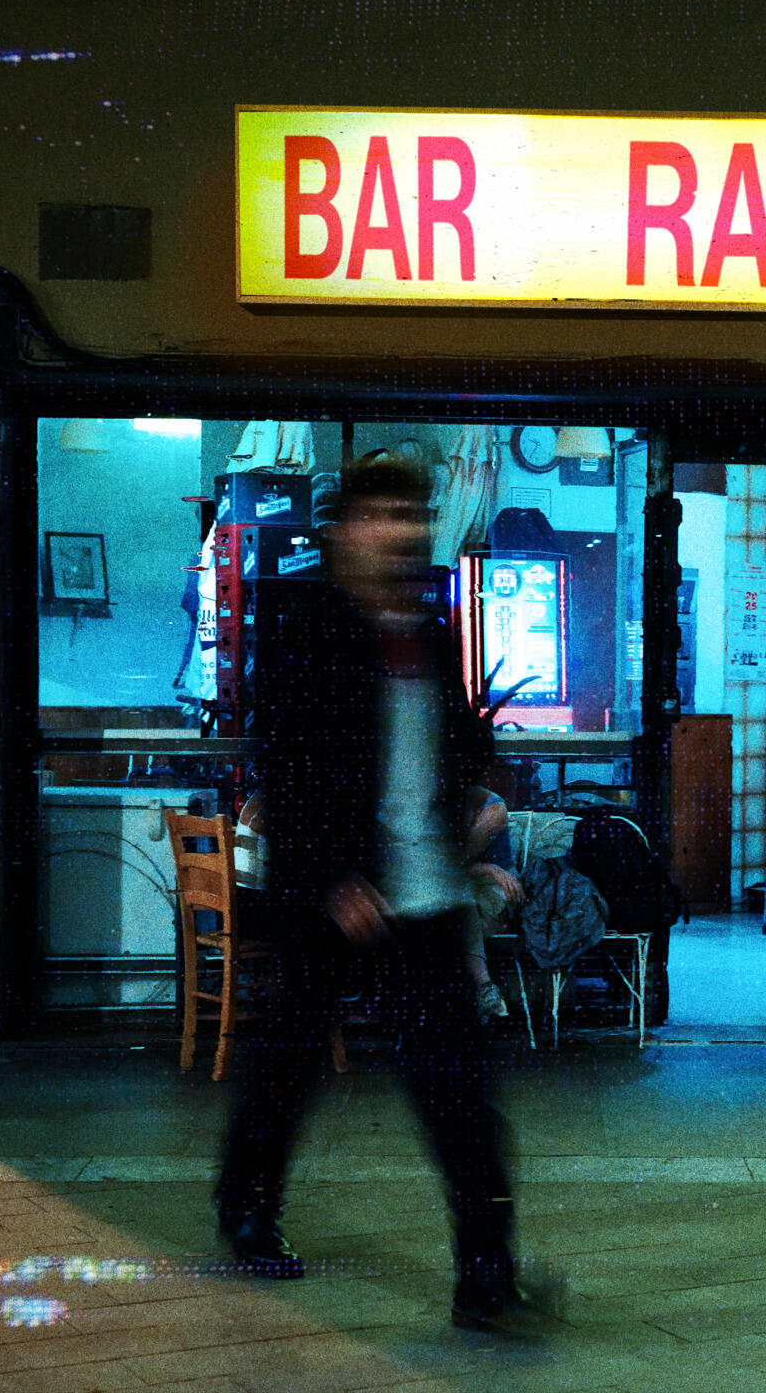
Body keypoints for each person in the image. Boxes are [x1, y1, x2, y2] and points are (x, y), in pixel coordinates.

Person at [214, 452, 526, 1332]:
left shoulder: (430, 630)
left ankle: (486, 1272)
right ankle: (246, 1205)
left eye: (414, 516)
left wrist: (462, 826)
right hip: (334, 897)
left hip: (423, 895)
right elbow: (285, 764)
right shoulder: (306, 625)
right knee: (289, 1063)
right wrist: (328, 877)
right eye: (385, 516)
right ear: (343, 531)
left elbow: (451, 746)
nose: (403, 532)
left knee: (457, 1085)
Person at [462, 785, 520, 1022]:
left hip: (495, 888)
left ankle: (485, 989)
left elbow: (454, 862)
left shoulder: (492, 808)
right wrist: (486, 868)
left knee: (462, 912)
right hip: (461, 884)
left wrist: (489, 870)